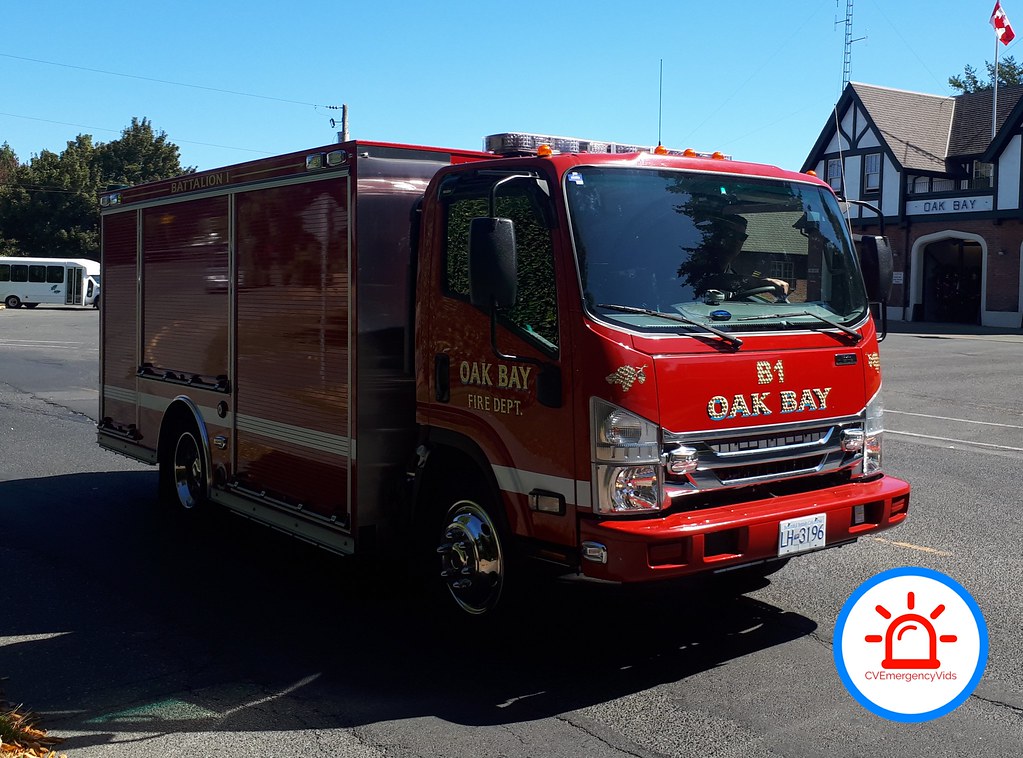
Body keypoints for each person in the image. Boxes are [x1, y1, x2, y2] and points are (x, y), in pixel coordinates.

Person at [689, 213, 789, 300]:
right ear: (716, 236)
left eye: (742, 237)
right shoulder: (695, 269)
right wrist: (761, 283)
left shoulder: (731, 273)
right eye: (731, 234)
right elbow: (714, 280)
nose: (736, 241)